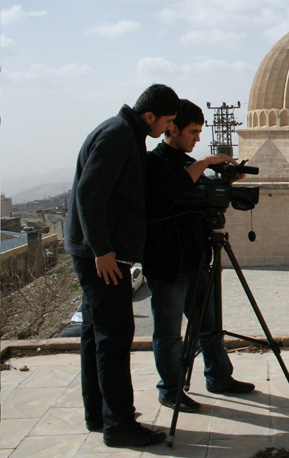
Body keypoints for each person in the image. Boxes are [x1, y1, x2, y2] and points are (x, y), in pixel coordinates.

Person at [65, 84, 179, 447]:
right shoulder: (117, 135)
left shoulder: (123, 132)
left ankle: (99, 413)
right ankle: (119, 425)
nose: (168, 130)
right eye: (168, 122)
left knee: (96, 337)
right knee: (114, 338)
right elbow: (89, 192)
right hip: (102, 258)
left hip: (97, 252)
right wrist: (103, 251)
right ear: (150, 116)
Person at [143, 99, 255, 413]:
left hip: (195, 258)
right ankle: (171, 390)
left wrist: (226, 182)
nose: (196, 138)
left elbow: (208, 202)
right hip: (167, 263)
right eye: (192, 131)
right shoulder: (155, 165)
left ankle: (219, 377)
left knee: (209, 325)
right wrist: (205, 162)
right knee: (169, 334)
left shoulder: (188, 163)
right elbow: (173, 189)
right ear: (172, 128)